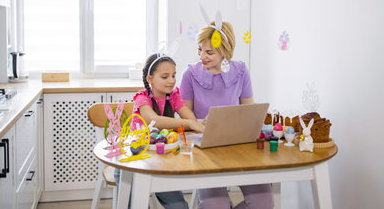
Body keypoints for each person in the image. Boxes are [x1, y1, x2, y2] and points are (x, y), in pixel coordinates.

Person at [180, 20, 274, 209]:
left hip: (238, 146)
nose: (202, 56)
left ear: (225, 50)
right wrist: (199, 122)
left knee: (264, 202)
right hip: (204, 148)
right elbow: (185, 117)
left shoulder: (240, 71)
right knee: (215, 205)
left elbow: (249, 110)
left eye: (209, 52)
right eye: (199, 50)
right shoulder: (189, 75)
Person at [114, 53, 205, 209]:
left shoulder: (173, 96)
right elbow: (154, 120)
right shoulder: (142, 98)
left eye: (173, 75)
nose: (171, 81)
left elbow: (191, 119)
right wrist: (187, 122)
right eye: (165, 76)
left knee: (179, 207)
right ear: (150, 79)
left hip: (161, 165)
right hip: (133, 165)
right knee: (139, 204)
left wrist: (190, 122)